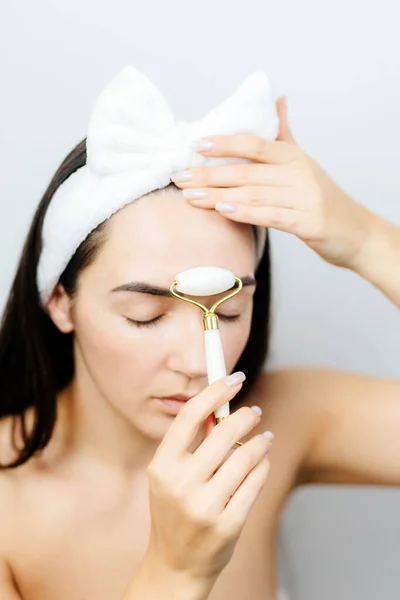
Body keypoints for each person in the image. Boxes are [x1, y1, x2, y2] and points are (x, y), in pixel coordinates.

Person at [0, 84, 398, 600]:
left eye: (228, 312)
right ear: (60, 302)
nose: (196, 363)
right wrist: (177, 572)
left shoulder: (279, 422)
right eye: (145, 316)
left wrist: (370, 242)